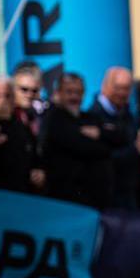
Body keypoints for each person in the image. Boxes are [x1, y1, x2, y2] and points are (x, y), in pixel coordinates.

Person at [41, 73, 113, 209]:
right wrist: (103, 142)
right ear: (58, 93)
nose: (74, 97)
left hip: (93, 199)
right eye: (69, 92)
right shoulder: (54, 118)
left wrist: (101, 134)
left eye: (78, 92)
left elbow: (120, 136)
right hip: (65, 200)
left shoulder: (89, 117)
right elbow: (83, 147)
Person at [89, 67, 140, 208]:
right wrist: (135, 149)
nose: (122, 93)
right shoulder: (93, 116)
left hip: (130, 189)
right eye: (118, 88)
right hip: (108, 191)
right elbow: (100, 157)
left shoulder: (127, 114)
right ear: (105, 86)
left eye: (126, 89)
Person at [12, 61, 46, 137]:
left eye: (34, 90)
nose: (29, 95)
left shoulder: (45, 116)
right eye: (24, 89)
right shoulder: (4, 116)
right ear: (13, 89)